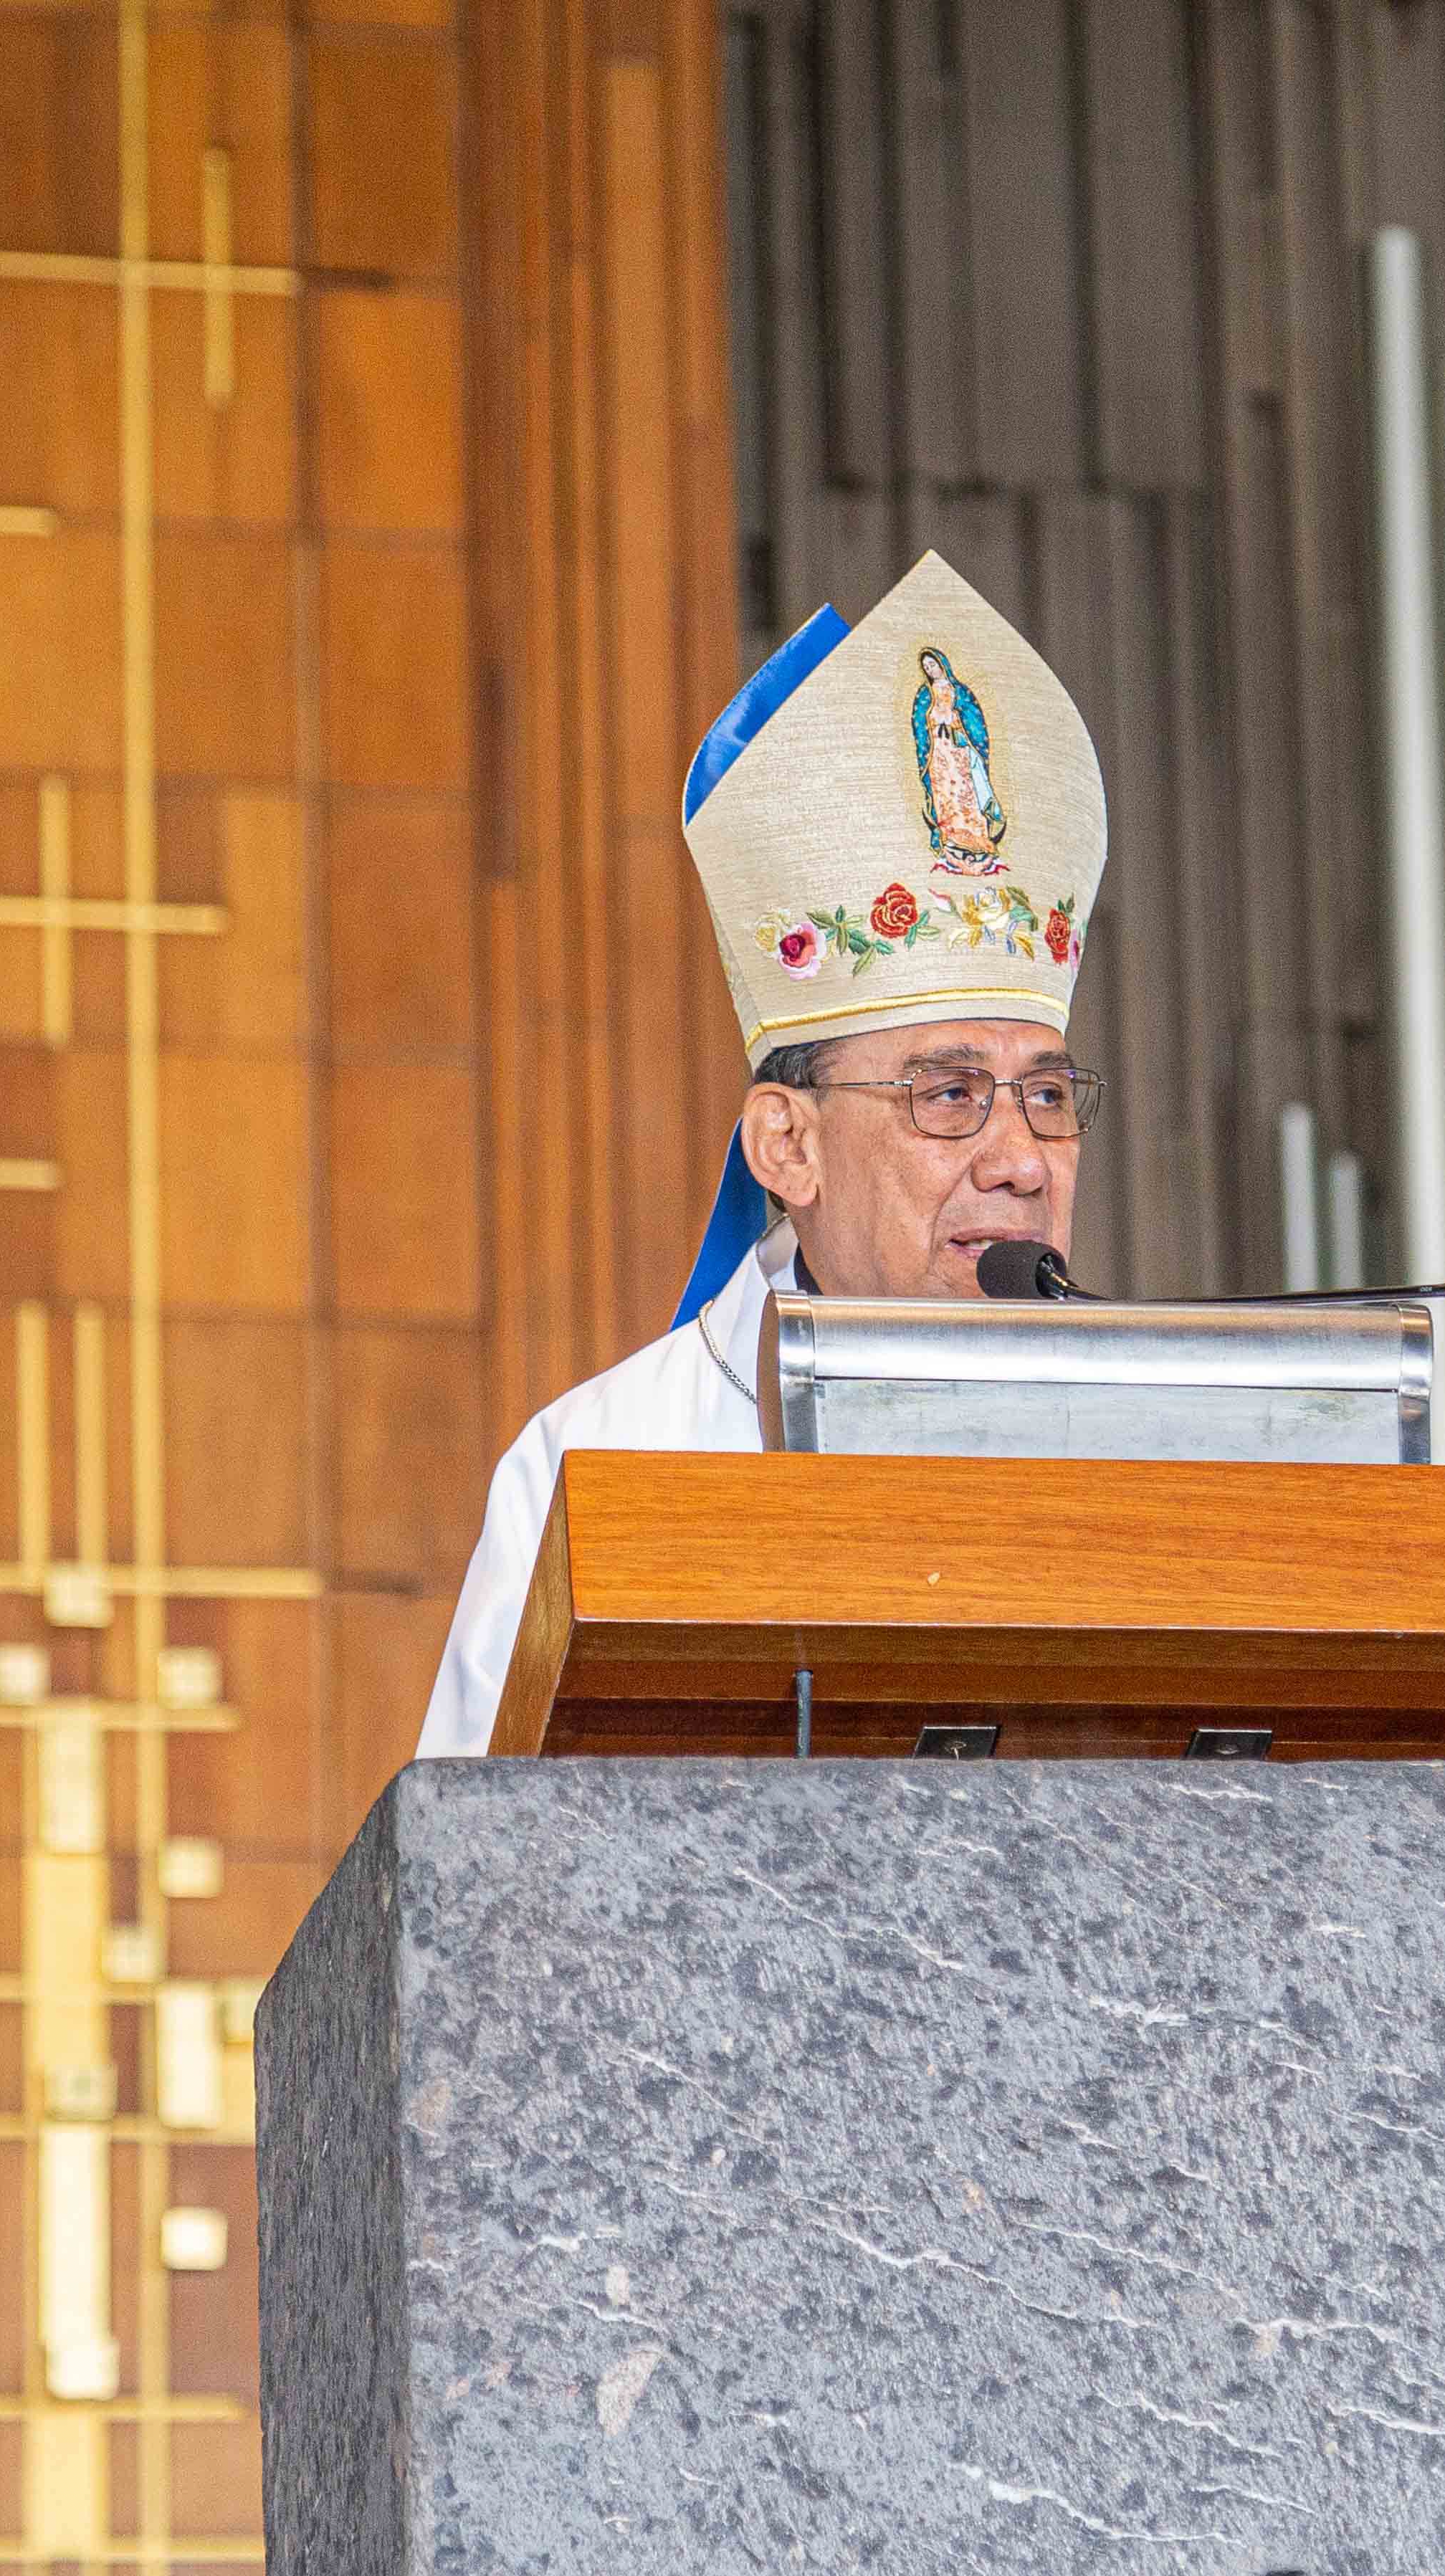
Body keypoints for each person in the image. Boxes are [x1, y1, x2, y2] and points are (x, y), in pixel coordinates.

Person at [413, 554, 1109, 1760]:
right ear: (787, 1143)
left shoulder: (1159, 1455)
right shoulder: (606, 1465)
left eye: (1045, 1096)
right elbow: (471, 1905)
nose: (1020, 1157)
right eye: (949, 1094)